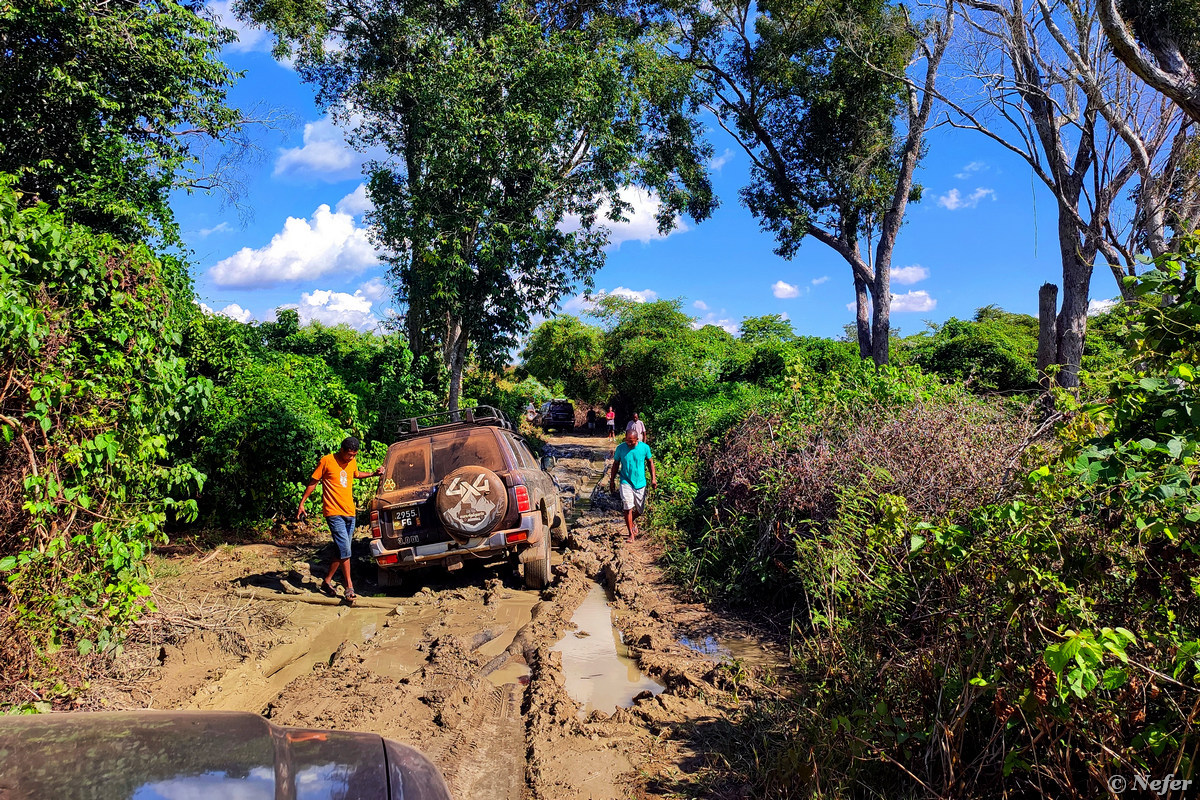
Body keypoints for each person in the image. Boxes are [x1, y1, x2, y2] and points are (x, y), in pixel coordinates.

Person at [297, 436, 382, 605]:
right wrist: (302, 503)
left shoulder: (352, 462)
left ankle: (327, 581)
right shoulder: (327, 461)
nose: (351, 458)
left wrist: (373, 473)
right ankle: (349, 586)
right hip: (333, 512)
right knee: (345, 549)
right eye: (349, 454)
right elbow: (313, 482)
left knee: (342, 549)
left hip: (350, 512)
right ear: (341, 450)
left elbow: (356, 474)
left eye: (354, 455)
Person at [608, 428, 657, 542]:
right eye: (627, 441)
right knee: (627, 507)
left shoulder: (645, 448)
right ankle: (631, 534)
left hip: (640, 483)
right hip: (625, 481)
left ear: (637, 439)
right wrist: (612, 480)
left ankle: (632, 521)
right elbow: (616, 464)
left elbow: (650, 463)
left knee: (640, 509)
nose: (629, 444)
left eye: (632, 442)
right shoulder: (620, 448)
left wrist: (653, 479)